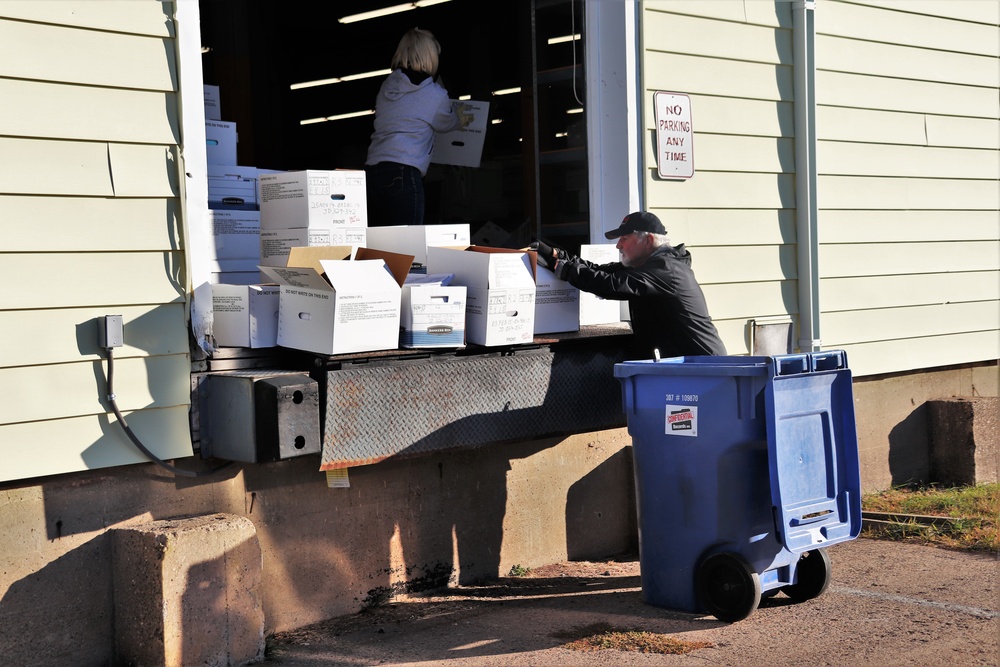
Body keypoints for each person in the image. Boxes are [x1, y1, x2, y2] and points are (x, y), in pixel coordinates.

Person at [533, 211, 727, 360]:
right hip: (682, 366)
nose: (618, 245)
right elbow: (600, 271)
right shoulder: (646, 267)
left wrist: (566, 270)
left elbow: (612, 284)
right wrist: (556, 256)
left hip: (703, 369)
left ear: (649, 240)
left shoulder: (667, 270)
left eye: (624, 239)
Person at [364, 27, 472, 227]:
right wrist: (461, 120)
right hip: (404, 170)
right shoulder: (434, 94)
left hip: (373, 171)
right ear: (430, 57)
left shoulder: (387, 86)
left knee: (379, 242)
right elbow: (445, 123)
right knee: (408, 243)